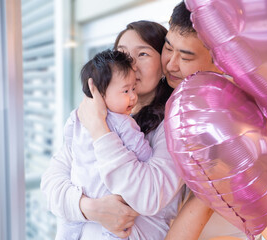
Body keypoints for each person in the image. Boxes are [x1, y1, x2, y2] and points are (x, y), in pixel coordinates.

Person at [41, 20, 187, 240]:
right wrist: (89, 208)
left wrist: (100, 130)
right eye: (122, 54)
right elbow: (51, 184)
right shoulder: (90, 113)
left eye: (143, 54)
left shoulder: (174, 125)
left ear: (163, 65)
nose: (131, 65)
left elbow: (149, 194)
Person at [162, 1, 251, 240]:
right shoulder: (159, 92)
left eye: (186, 56)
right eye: (168, 48)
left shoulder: (231, 116)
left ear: (220, 59)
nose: (171, 64)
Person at [56, 49, 153, 240]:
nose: (133, 97)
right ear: (99, 93)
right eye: (126, 91)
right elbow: (144, 154)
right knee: (114, 233)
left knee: (67, 228)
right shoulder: (125, 123)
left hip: (80, 190)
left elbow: (68, 138)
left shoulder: (78, 115)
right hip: (105, 196)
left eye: (134, 89)